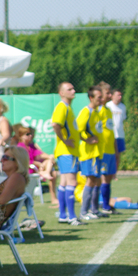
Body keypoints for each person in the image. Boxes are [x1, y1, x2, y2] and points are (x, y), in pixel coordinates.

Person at [52, 82, 84, 226]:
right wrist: (65, 141)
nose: (73, 90)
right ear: (61, 93)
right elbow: (55, 124)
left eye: (73, 88)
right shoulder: (62, 106)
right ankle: (72, 216)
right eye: (69, 89)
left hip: (67, 152)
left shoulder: (68, 108)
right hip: (67, 152)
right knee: (72, 182)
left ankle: (64, 215)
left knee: (64, 182)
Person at [77, 85, 104, 220]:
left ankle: (94, 210)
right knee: (90, 180)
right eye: (99, 97)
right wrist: (87, 140)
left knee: (97, 180)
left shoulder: (96, 112)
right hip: (89, 154)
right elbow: (77, 130)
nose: (101, 99)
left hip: (97, 153)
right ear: (91, 98)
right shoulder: (86, 112)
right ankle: (84, 211)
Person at [16, 125, 58, 205]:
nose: (30, 136)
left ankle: (53, 198)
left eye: (31, 134)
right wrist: (38, 163)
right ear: (21, 135)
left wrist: (50, 157)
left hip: (35, 168)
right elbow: (25, 161)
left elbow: (40, 154)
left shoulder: (31, 145)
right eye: (27, 134)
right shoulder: (20, 147)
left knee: (53, 171)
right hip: (27, 170)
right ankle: (45, 173)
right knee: (51, 169)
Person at [97, 82, 118, 215]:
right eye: (107, 93)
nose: (110, 95)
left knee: (109, 178)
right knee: (103, 178)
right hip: (102, 150)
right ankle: (103, 206)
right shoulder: (97, 111)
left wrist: (115, 149)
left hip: (110, 149)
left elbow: (111, 131)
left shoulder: (108, 110)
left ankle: (107, 205)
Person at [106, 88, 127, 171]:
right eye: (118, 95)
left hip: (120, 134)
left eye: (121, 95)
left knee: (118, 155)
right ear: (112, 96)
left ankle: (114, 173)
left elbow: (122, 120)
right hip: (111, 134)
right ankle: (107, 171)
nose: (120, 97)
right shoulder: (108, 106)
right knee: (110, 154)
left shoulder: (123, 107)